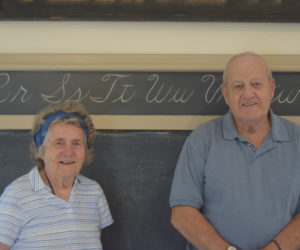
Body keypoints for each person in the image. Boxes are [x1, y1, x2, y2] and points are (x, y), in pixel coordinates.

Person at [169, 52, 300, 250]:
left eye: (256, 84)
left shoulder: (297, 139)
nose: (248, 93)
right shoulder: (201, 140)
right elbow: (182, 213)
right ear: (225, 94)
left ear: (271, 88)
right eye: (238, 86)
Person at [0, 101, 113, 250]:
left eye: (77, 143)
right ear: (42, 150)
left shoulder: (94, 192)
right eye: (59, 143)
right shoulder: (16, 196)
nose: (69, 152)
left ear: (85, 150)